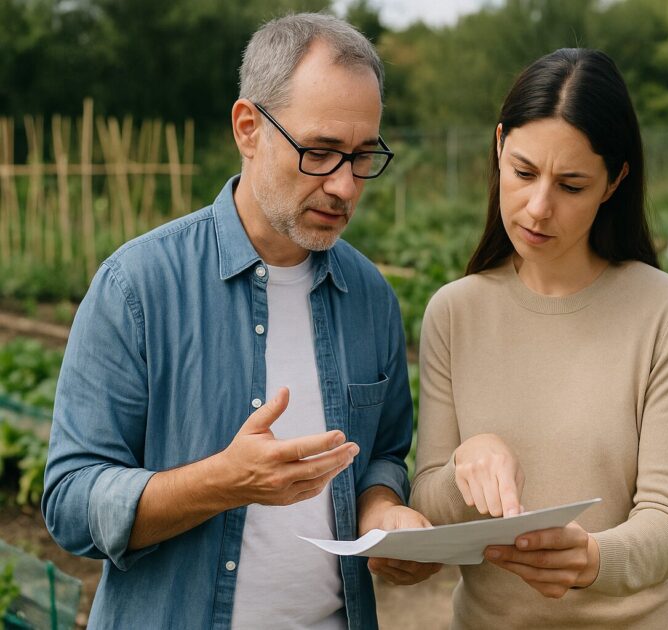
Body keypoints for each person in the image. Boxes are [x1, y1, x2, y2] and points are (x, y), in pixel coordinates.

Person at [42, 13, 439, 630]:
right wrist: (221, 483)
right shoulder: (138, 286)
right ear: (248, 128)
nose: (344, 187)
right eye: (320, 152)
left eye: (363, 156)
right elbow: (70, 503)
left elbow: (384, 453)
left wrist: (383, 510)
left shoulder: (371, 297)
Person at [409, 48, 668, 629]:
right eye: (523, 173)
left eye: (572, 185)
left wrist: (594, 559)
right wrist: (464, 466)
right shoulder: (454, 312)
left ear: (614, 182)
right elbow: (429, 505)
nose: (538, 207)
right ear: (499, 146)